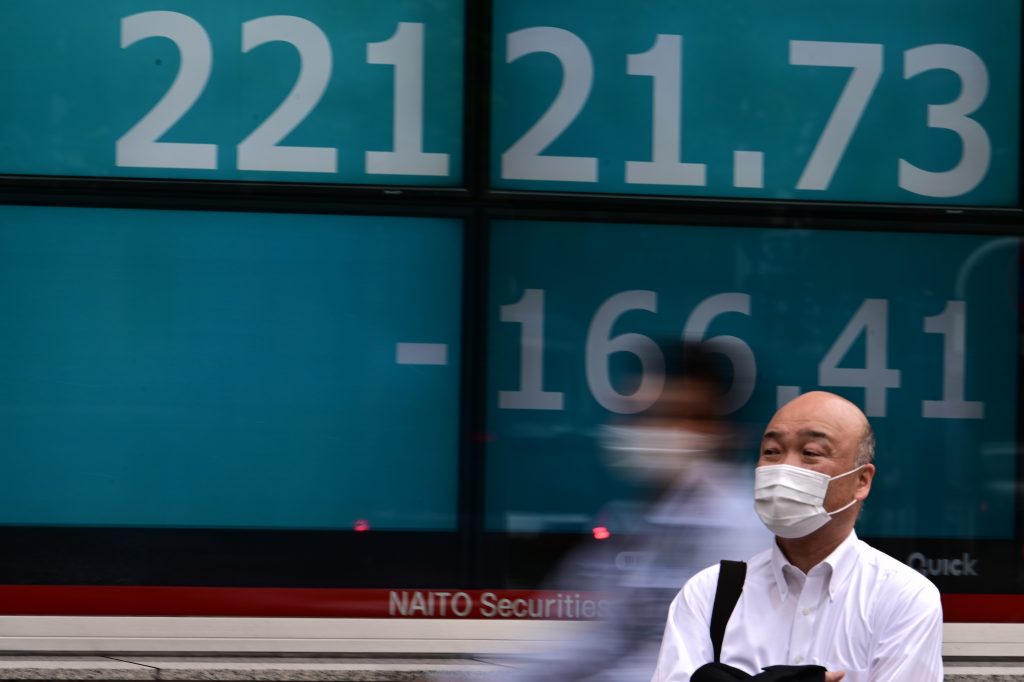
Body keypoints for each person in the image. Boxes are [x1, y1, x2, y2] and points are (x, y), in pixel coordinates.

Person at [500, 340, 769, 682]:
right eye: (648, 416)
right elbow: (596, 639)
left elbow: (703, 655)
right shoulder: (639, 518)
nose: (655, 430)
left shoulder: (740, 527)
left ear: (716, 430)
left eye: (674, 417)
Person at [650, 391, 943, 682]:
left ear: (861, 480)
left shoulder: (902, 597)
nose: (784, 467)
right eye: (772, 452)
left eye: (811, 453)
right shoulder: (709, 593)